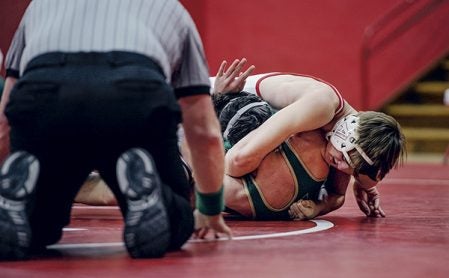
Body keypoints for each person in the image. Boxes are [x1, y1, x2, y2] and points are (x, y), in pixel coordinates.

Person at [0, 0, 230, 261]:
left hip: (46, 97)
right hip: (130, 98)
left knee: (36, 229)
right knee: (176, 223)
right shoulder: (172, 9)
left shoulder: (39, 5)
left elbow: (3, 123)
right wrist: (210, 210)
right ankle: (153, 194)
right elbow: (203, 130)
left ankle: (19, 200)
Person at [210, 59, 406, 219]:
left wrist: (321, 206)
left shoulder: (346, 133)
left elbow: (337, 195)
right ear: (346, 135)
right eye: (345, 160)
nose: (340, 168)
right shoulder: (321, 107)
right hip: (202, 100)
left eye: (351, 170)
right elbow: (238, 160)